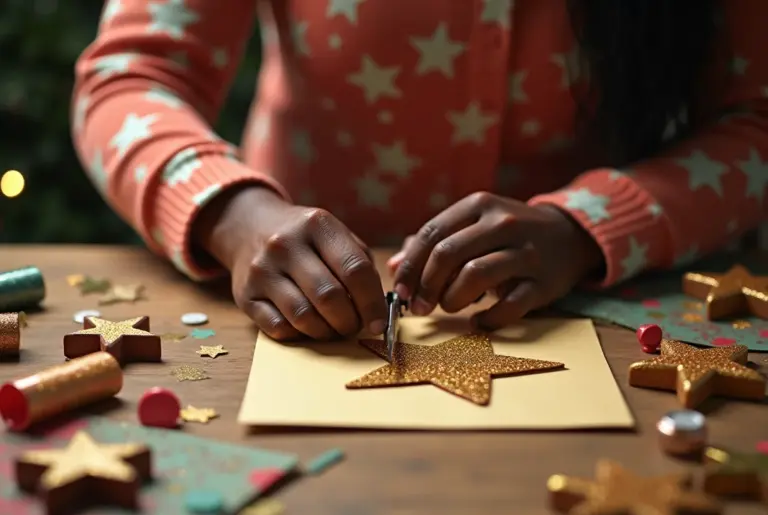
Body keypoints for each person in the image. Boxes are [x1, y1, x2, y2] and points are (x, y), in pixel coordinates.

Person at [72, 0, 767, 341]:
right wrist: (233, 215)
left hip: (608, 318)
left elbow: (755, 125)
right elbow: (127, 79)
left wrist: (585, 227)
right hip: (288, 318)